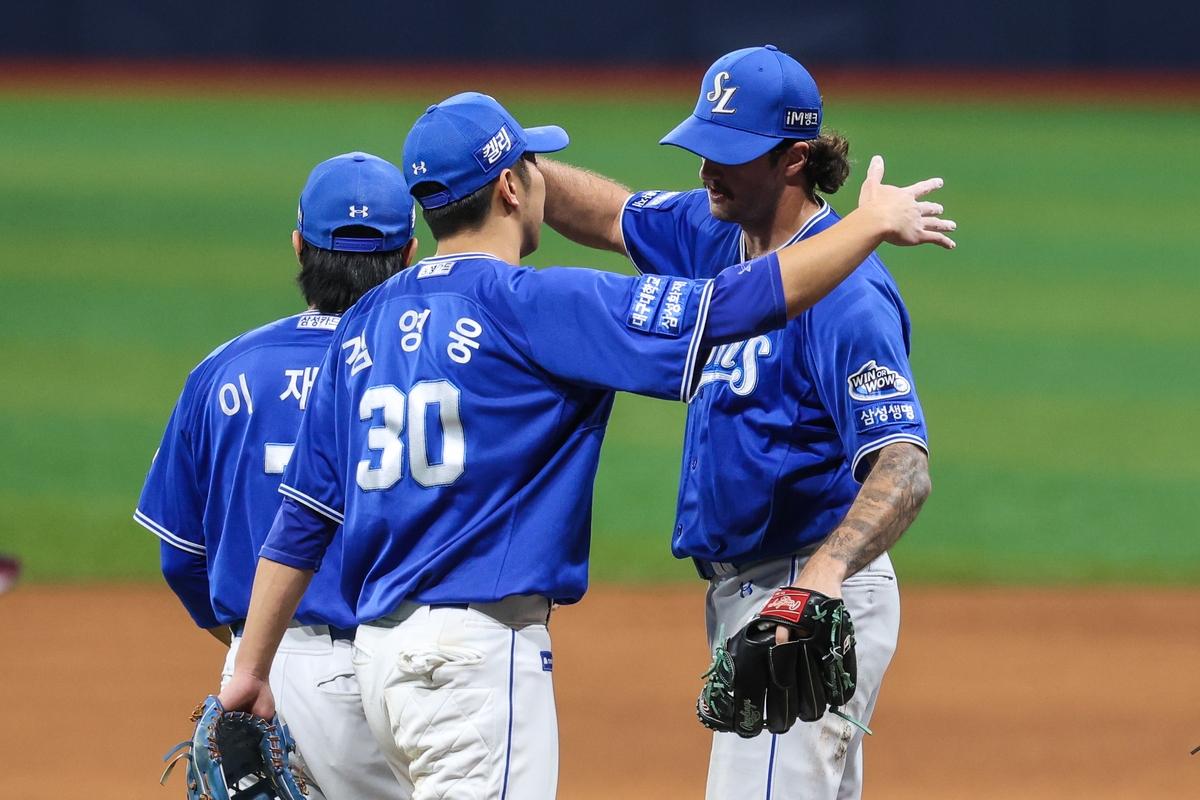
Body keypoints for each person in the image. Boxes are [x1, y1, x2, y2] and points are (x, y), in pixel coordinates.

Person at [218, 92, 953, 800]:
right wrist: (865, 229)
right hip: (477, 662)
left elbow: (304, 514)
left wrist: (248, 671)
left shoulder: (364, 324)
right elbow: (728, 303)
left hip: (383, 660)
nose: (703, 170)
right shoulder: (544, 304)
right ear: (511, 186)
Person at [538, 45, 933, 800]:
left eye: (729, 154)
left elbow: (905, 465)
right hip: (748, 594)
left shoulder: (847, 296)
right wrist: (498, 158)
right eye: (702, 146)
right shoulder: (715, 232)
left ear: (793, 161)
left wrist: (819, 580)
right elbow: (607, 213)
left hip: (805, 589)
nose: (705, 170)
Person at [134, 152, 417, 800]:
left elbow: (181, 559)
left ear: (298, 248)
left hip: (256, 669)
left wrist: (252, 642)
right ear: (408, 255)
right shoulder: (417, 374)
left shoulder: (222, 373)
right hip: (384, 671)